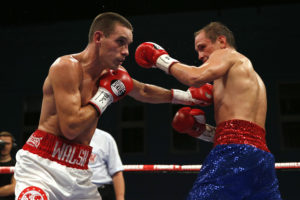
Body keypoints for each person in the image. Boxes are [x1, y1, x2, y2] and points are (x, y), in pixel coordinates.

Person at [14, 12, 214, 200]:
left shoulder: (114, 74)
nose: (126, 51)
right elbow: (71, 127)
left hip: (79, 171)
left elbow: (143, 91)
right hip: (42, 168)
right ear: (99, 38)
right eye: (120, 42)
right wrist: (105, 95)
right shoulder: (66, 67)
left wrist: (187, 97)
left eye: (128, 44)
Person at [135, 22, 282, 199]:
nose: (200, 55)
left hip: (234, 152)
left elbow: (194, 76)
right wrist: (202, 131)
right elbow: (244, 130)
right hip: (262, 159)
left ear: (221, 41)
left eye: (203, 47)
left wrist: (160, 59)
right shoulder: (251, 78)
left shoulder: (227, 55)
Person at [89, 128, 124, 200]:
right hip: (76, 191)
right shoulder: (68, 136)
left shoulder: (106, 138)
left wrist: (120, 198)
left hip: (102, 191)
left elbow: (116, 172)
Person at [0, 131, 16, 200]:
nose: (4, 146)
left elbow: (13, 188)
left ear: (13, 145)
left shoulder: (16, 165)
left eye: (7, 144)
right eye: (2, 143)